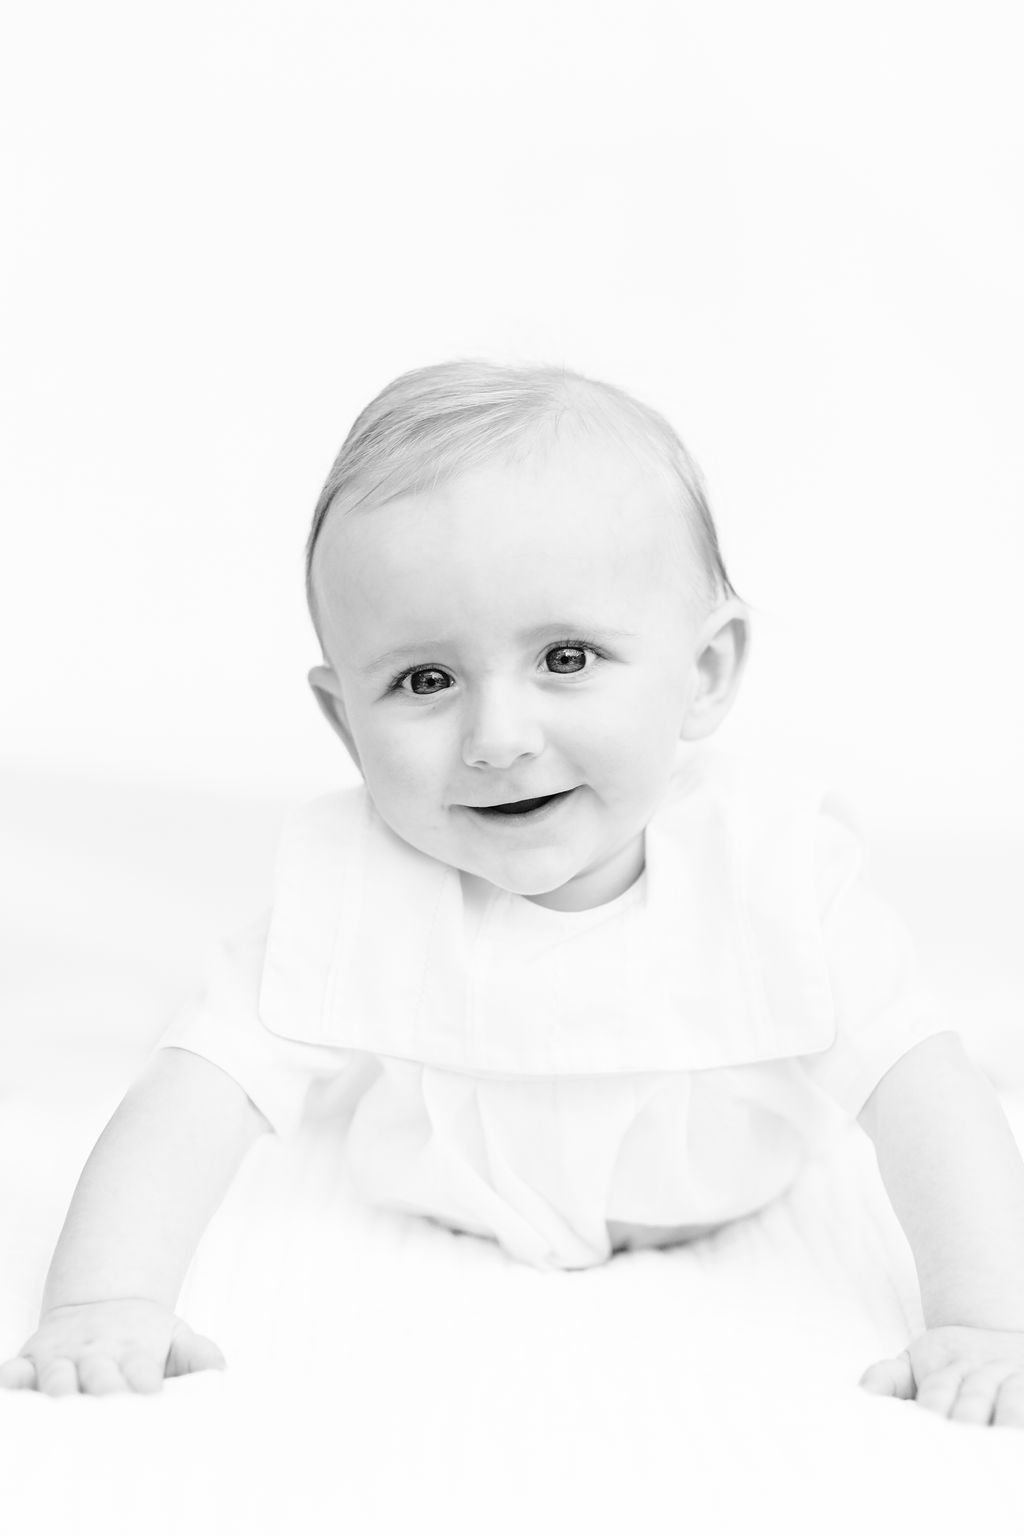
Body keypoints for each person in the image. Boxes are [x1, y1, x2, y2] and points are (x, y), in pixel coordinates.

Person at [4, 360, 1024, 1428]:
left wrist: (988, 1320)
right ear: (346, 722)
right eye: (424, 680)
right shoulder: (354, 880)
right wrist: (106, 1300)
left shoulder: (768, 871)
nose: (497, 739)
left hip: (726, 1190)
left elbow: (925, 1096)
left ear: (705, 673)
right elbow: (194, 1091)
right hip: (438, 1197)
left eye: (567, 657)